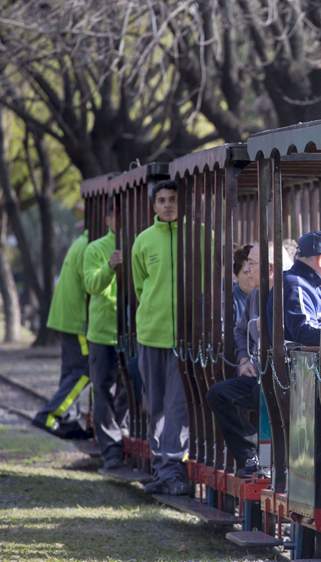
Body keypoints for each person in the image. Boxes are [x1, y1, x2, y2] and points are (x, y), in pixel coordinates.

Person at [207, 243, 291, 479]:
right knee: (218, 394)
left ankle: (276, 462)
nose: (246, 270)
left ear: (271, 268)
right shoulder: (255, 294)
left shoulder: (289, 294)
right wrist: (243, 359)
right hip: (258, 376)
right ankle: (250, 456)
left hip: (286, 380)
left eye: (251, 264)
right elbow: (240, 331)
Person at [131, 179, 190, 496]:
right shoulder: (143, 241)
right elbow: (141, 287)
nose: (167, 204)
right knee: (155, 406)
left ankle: (173, 471)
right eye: (162, 200)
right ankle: (162, 469)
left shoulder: (200, 236)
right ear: (153, 206)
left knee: (177, 406)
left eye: (173, 199)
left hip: (186, 339)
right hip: (151, 335)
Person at [33, 229, 93, 440]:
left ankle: (67, 420)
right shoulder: (90, 247)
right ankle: (49, 414)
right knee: (86, 369)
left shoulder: (81, 242)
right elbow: (91, 285)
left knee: (71, 370)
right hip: (76, 321)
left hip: (64, 318)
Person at [82, 201, 126, 469]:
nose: (120, 221)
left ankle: (117, 431)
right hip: (102, 331)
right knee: (102, 388)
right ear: (107, 219)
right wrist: (109, 267)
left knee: (136, 385)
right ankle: (111, 450)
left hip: (134, 329)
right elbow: (91, 285)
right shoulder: (95, 248)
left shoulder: (139, 243)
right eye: (116, 216)